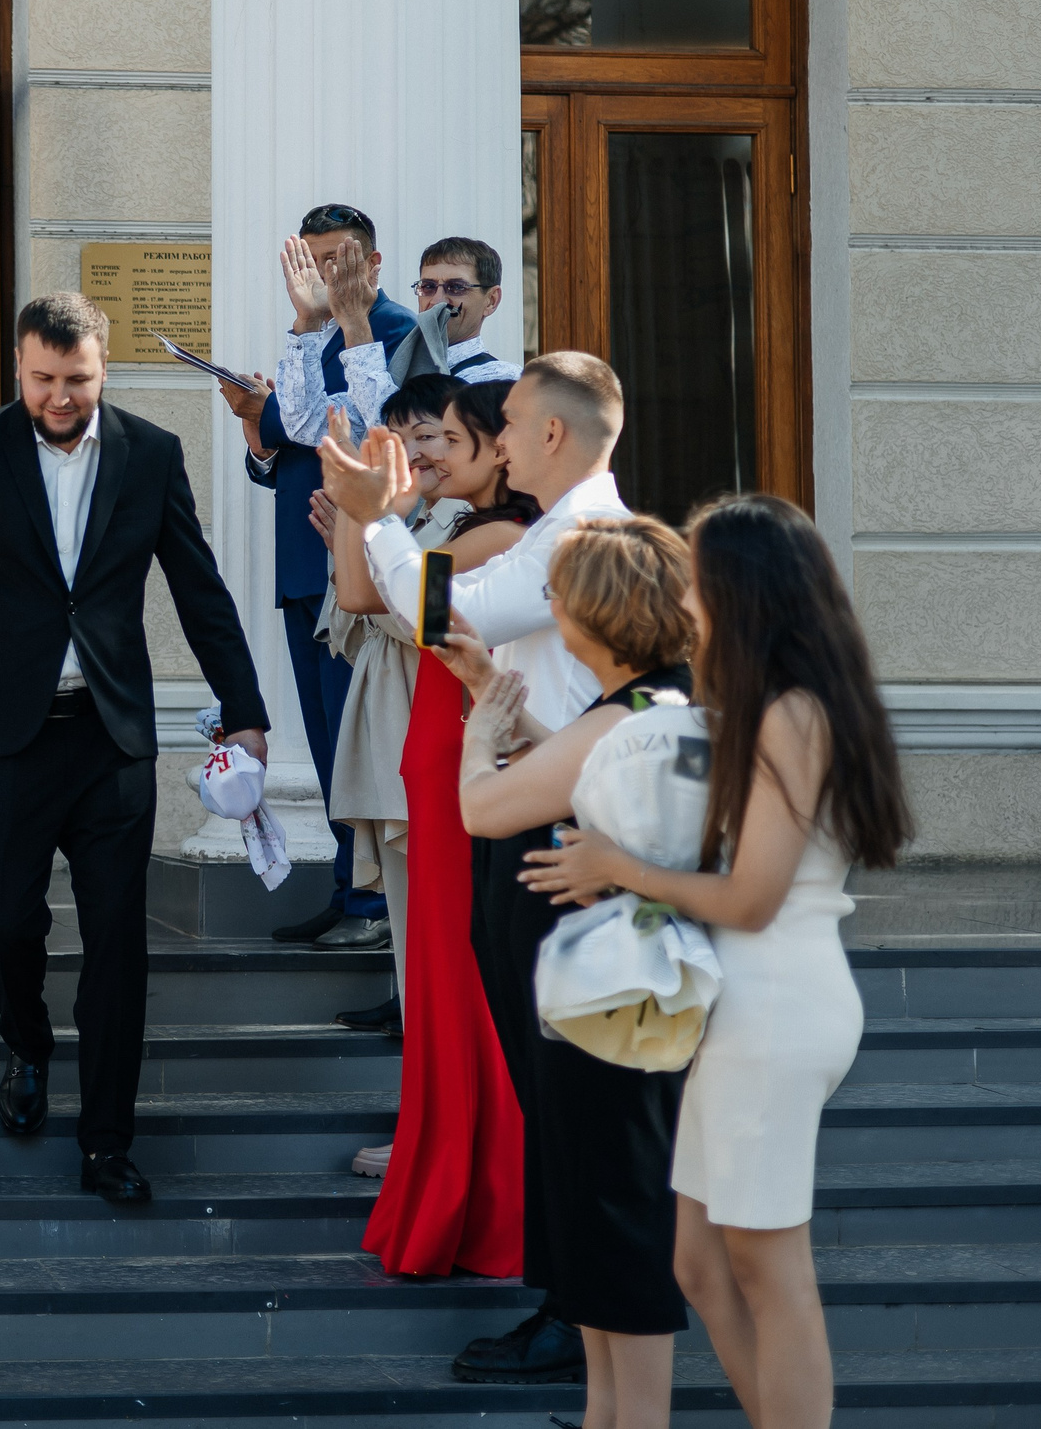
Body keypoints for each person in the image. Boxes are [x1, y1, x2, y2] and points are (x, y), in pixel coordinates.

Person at [520, 495, 911, 1429]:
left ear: (742, 588)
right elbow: (627, 781)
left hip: (777, 1000)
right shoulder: (763, 705)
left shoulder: (794, 714)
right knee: (698, 1260)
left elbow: (751, 897)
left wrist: (618, 869)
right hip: (747, 1001)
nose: (684, 598)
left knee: (771, 1268)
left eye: (696, 577)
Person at [0, 294, 271, 1204]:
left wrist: (245, 708)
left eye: (79, 379)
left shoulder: (151, 453)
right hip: (5, 735)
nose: (61, 396)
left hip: (110, 736)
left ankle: (107, 1141)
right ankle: (26, 1038)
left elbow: (198, 588)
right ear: (19, 369)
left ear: (104, 368)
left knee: (118, 946)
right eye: (44, 379)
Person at [319, 351, 634, 1385]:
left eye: (507, 421)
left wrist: (371, 514)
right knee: (546, 1082)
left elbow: (434, 606)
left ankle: (573, 1312)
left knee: (561, 1086)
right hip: (529, 802)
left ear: (548, 435)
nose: (496, 439)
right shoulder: (563, 524)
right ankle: (565, 1302)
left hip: (554, 824)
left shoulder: (578, 530)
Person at [436, 517, 697, 1429]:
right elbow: (573, 764)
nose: (548, 608)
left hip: (613, 1013)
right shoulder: (648, 707)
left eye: (559, 595)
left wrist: (479, 733)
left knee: (614, 1220)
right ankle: (603, 1414)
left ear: (597, 614)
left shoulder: (633, 719)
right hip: (606, 1002)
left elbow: (486, 806)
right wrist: (498, 696)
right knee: (589, 1216)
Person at [323, 380, 531, 1257]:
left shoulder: (502, 535)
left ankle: (471, 1191)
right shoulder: (452, 526)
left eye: (451, 436)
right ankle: (441, 1165)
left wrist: (373, 514)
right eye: (426, 436)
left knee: (459, 980)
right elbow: (355, 592)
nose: (434, 450)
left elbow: (420, 610)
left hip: (468, 776)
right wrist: (357, 500)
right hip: (438, 769)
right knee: (440, 978)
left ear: (501, 448)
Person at [217, 205, 415, 944]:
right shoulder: (317, 330)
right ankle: (347, 884)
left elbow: (337, 427)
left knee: (359, 740)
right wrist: (260, 419)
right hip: (303, 562)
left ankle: (373, 902)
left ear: (373, 261)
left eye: (341, 257)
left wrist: (269, 410)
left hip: (361, 570)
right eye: (314, 259)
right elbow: (293, 435)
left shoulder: (394, 329)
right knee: (328, 740)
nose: (328, 273)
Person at [319, 372, 468, 1037]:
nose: (421, 454)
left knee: (446, 935)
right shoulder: (411, 520)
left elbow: (421, 618)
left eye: (437, 436)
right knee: (417, 928)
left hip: (449, 738)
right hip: (404, 725)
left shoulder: (476, 528)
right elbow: (352, 607)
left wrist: (370, 522)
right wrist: (358, 522)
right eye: (402, 442)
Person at [391, 238, 522, 386]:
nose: (437, 301)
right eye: (428, 286)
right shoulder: (396, 361)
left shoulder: (501, 378)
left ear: (491, 300)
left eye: (457, 287)